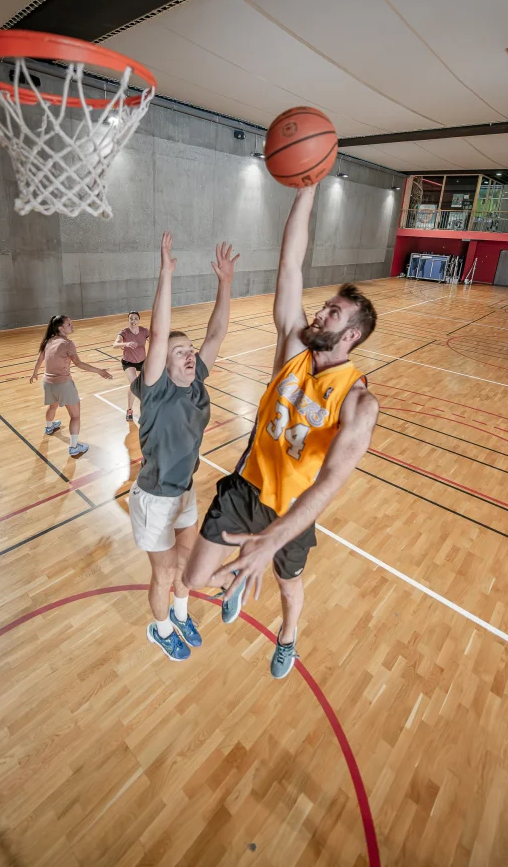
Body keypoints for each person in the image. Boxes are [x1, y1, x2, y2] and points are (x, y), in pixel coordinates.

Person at [183, 185, 379, 678]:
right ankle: (240, 574)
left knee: (289, 585)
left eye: (332, 312)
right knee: (194, 578)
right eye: (325, 305)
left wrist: (270, 540)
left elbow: (330, 482)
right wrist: (307, 189)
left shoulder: (358, 401)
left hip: (292, 511)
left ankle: (288, 636)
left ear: (351, 335)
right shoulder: (293, 343)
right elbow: (290, 265)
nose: (320, 312)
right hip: (246, 486)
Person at [129, 232, 239, 662]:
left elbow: (217, 330)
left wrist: (225, 283)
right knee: (166, 571)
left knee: (188, 564)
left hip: (185, 492)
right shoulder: (155, 391)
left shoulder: (197, 384)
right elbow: (157, 335)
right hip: (154, 498)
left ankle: (180, 612)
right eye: (180, 352)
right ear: (163, 361)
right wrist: (166, 274)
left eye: (190, 350)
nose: (189, 355)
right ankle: (159, 629)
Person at [30, 314, 112, 457]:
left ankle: (49, 428)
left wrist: (34, 373)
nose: (72, 326)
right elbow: (79, 363)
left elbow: (39, 359)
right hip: (64, 385)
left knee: (52, 406)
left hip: (47, 383)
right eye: (69, 324)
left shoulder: (48, 341)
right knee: (75, 416)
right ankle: (74, 447)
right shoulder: (68, 344)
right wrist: (100, 371)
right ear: (61, 328)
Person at [112, 311, 149, 422]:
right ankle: (129, 410)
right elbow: (115, 345)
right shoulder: (124, 332)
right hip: (128, 362)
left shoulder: (144, 331)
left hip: (142, 361)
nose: (133, 321)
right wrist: (125, 344)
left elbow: (155, 340)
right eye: (131, 319)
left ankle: (146, 409)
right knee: (134, 384)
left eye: (135, 319)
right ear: (128, 320)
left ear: (139, 320)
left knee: (146, 385)